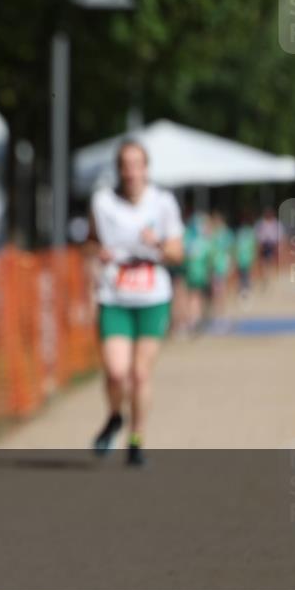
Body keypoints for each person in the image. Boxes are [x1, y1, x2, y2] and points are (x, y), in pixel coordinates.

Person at [87, 141, 184, 466]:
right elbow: (90, 243)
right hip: (114, 296)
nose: (130, 172)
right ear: (119, 169)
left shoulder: (163, 202)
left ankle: (136, 439)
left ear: (146, 168)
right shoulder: (102, 202)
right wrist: (96, 254)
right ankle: (115, 415)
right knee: (116, 373)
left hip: (152, 297)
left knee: (140, 374)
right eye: (125, 165)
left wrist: (155, 243)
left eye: (136, 164)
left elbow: (177, 252)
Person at [182, 212, 212, 333]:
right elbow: (209, 259)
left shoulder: (189, 240)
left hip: (191, 274)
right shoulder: (204, 242)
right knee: (196, 298)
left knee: (192, 298)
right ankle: (195, 319)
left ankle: (193, 320)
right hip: (200, 274)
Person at [234, 211, 258, 302]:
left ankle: (247, 293)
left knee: (247, 276)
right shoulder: (240, 232)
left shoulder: (249, 232)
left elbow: (253, 246)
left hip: (247, 259)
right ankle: (243, 293)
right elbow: (236, 246)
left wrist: (254, 257)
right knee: (242, 277)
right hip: (242, 259)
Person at [255, 207, 282, 286]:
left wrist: (277, 246)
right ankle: (266, 277)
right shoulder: (261, 223)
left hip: (272, 245)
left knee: (270, 261)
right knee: (264, 262)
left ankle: (269, 276)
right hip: (264, 245)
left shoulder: (275, 223)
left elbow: (279, 235)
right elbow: (258, 235)